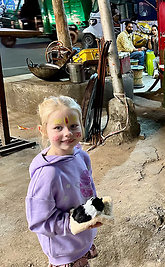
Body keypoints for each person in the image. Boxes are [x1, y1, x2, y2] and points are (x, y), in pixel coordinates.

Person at [26, 96, 101, 266]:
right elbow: (39, 221)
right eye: (58, 127)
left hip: (82, 239)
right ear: (43, 130)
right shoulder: (47, 175)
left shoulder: (82, 156)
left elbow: (88, 188)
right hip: (64, 249)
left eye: (73, 126)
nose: (67, 133)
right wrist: (75, 222)